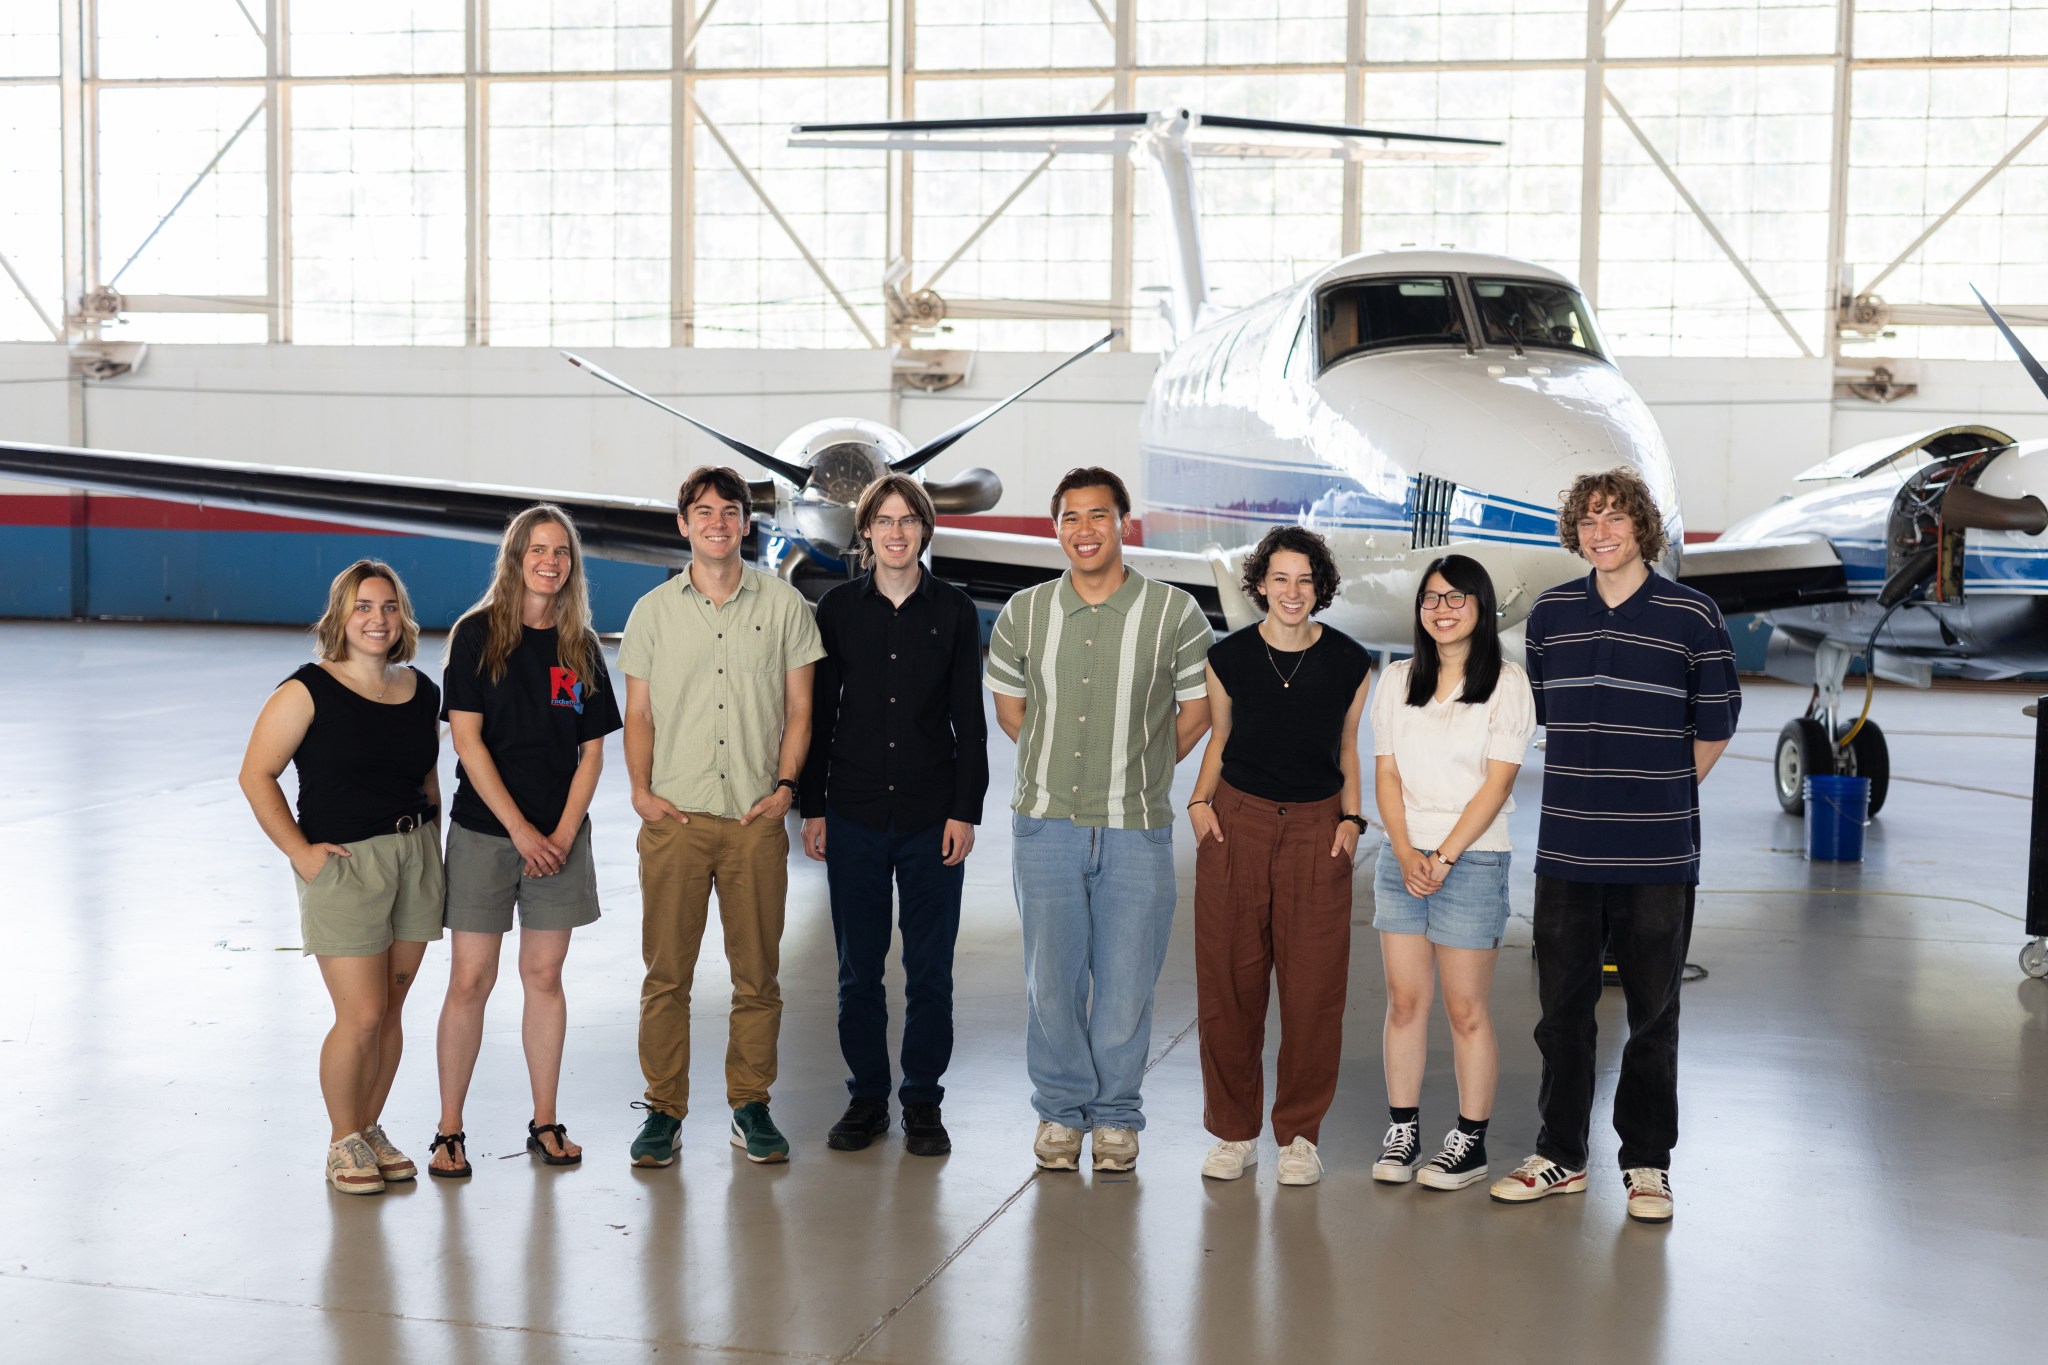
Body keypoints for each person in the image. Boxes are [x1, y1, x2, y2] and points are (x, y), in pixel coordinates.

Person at [1489, 467, 1739, 1224]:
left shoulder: (1693, 614)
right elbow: (1544, 713)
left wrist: (1658, 796)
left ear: (1642, 527)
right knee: (1560, 1013)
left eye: (1615, 518)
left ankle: (1647, 1163)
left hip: (1658, 855)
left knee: (1652, 1016)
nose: (1601, 533)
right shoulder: (1551, 613)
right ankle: (1561, 1154)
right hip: (1567, 850)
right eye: (1588, 520)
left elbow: (1716, 725)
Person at [984, 466, 1213, 1174]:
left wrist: (1141, 765)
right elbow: (1012, 711)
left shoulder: (1175, 613)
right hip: (1045, 824)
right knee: (1050, 980)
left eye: (1098, 516)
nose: (1084, 530)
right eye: (1071, 517)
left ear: (1123, 523)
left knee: (1126, 981)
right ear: (1056, 527)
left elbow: (1197, 711)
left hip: (1135, 825)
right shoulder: (1024, 612)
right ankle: (1060, 1111)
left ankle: (1116, 1116)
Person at [620, 466, 824, 1168]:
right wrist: (641, 792)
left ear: (746, 522)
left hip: (753, 823)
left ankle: (750, 1105)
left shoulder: (786, 606)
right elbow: (639, 714)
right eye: (702, 511)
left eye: (729, 511)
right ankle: (663, 1111)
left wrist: (787, 788)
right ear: (683, 524)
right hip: (673, 821)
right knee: (666, 977)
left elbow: (801, 710)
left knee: (757, 977)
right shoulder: (652, 612)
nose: (717, 522)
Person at [238, 559, 445, 1196]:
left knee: (392, 1009)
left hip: (415, 856)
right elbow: (256, 774)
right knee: (361, 1014)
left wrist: (432, 845)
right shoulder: (307, 690)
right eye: (363, 607)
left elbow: (427, 777)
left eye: (388, 607)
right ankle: (341, 1140)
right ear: (340, 617)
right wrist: (300, 853)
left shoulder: (421, 691)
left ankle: (368, 1128)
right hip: (347, 865)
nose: (377, 619)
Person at [428, 505, 623, 1178]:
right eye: (537, 549)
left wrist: (560, 834)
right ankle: (449, 1130)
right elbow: (468, 741)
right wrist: (520, 830)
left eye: (561, 551)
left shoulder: (580, 646)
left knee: (544, 976)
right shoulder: (477, 635)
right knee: (470, 980)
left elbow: (592, 753)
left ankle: (545, 1122)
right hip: (486, 834)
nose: (550, 561)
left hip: (560, 840)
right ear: (515, 559)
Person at [799, 475, 988, 1157]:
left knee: (930, 971)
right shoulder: (837, 610)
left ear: (925, 530)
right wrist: (813, 806)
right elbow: (819, 716)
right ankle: (867, 1098)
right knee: (858, 972)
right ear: (867, 532)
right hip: (851, 812)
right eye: (884, 519)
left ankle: (923, 1100)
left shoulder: (956, 611)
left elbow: (970, 720)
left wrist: (964, 811)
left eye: (909, 519)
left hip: (930, 815)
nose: (897, 531)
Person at [1186, 527, 1371, 1187]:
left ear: (1321, 587)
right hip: (1237, 824)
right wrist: (1199, 803)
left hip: (1318, 830)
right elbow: (1220, 739)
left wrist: (1352, 820)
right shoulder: (1227, 657)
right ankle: (1233, 1132)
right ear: (1260, 584)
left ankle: (1299, 1136)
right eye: (1280, 578)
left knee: (1313, 993)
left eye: (1305, 580)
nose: (1293, 592)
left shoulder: (1351, 661)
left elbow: (1348, 748)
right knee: (1229, 988)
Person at [1368, 555, 1535, 1192]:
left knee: (1466, 1010)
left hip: (1473, 859)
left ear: (1482, 606)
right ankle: (1403, 1130)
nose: (1442, 610)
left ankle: (1469, 1141)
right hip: (1403, 859)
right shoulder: (1397, 680)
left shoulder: (1507, 683)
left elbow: (1498, 784)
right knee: (1405, 1003)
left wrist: (1442, 858)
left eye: (1457, 598)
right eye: (1432, 598)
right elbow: (1386, 774)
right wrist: (1405, 851)